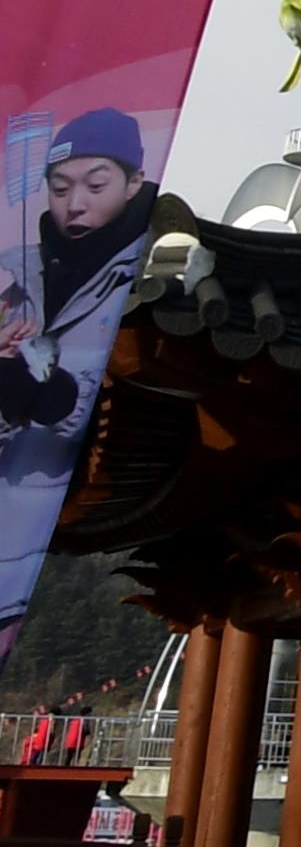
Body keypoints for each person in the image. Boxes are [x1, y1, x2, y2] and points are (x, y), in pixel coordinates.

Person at [0, 112, 158, 662]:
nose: (75, 203)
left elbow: (98, 405)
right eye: (60, 187)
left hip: (67, 513)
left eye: (96, 185)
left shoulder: (153, 269)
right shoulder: (10, 273)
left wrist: (38, 386)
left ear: (134, 181)